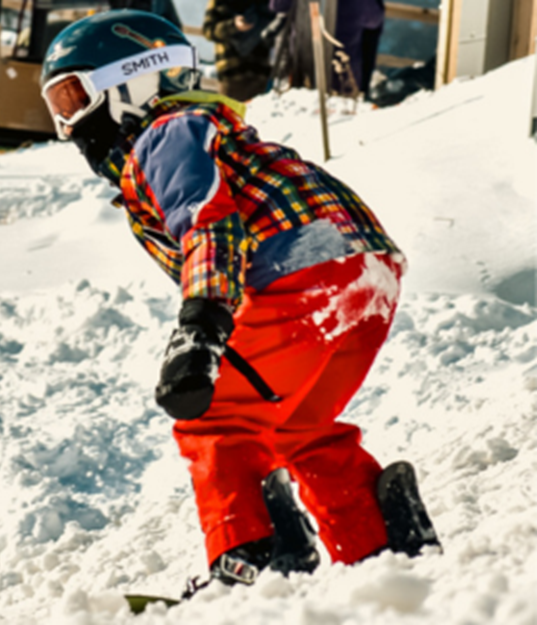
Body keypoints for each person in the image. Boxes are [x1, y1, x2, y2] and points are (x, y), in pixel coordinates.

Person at [40, 9, 441, 590]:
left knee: (215, 418)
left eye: (74, 98)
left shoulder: (165, 135)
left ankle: (249, 560)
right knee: (293, 427)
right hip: (363, 278)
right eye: (58, 108)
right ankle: (380, 550)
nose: (68, 125)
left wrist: (201, 325)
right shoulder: (203, 132)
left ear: (132, 82)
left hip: (300, 274)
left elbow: (208, 223)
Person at [202, 0, 281, 102]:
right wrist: (234, 25)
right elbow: (208, 30)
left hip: (261, 73)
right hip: (233, 74)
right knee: (232, 115)